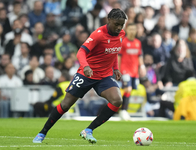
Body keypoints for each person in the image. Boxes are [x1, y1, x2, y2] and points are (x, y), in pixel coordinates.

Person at [33, 8, 127, 144]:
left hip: (104, 76)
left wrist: (116, 68)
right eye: (116, 24)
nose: (119, 27)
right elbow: (81, 52)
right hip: (86, 74)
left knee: (117, 101)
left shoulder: (121, 34)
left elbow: (113, 52)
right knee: (65, 105)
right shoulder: (98, 34)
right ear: (109, 20)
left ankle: (88, 130)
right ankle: (42, 132)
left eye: (121, 25)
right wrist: (86, 66)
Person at [118, 23, 146, 120]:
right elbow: (119, 56)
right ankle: (123, 110)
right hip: (125, 70)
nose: (132, 31)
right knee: (128, 89)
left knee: (130, 91)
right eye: (130, 29)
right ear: (126, 30)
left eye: (134, 29)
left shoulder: (138, 42)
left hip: (134, 72)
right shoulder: (123, 42)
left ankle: (122, 109)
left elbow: (139, 56)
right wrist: (117, 70)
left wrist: (142, 67)